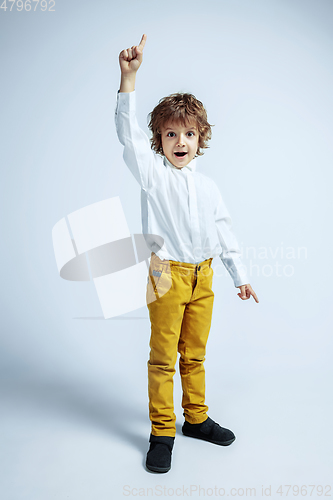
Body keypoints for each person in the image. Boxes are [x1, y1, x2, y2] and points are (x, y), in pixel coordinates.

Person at [115, 34, 259, 473]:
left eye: (190, 133)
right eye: (171, 133)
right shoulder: (152, 175)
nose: (181, 141)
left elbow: (224, 231)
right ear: (158, 139)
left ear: (201, 139)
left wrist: (240, 275)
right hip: (165, 274)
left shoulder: (209, 187)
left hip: (203, 276)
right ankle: (162, 431)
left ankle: (195, 419)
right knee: (163, 357)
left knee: (193, 353)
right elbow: (127, 135)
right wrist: (129, 78)